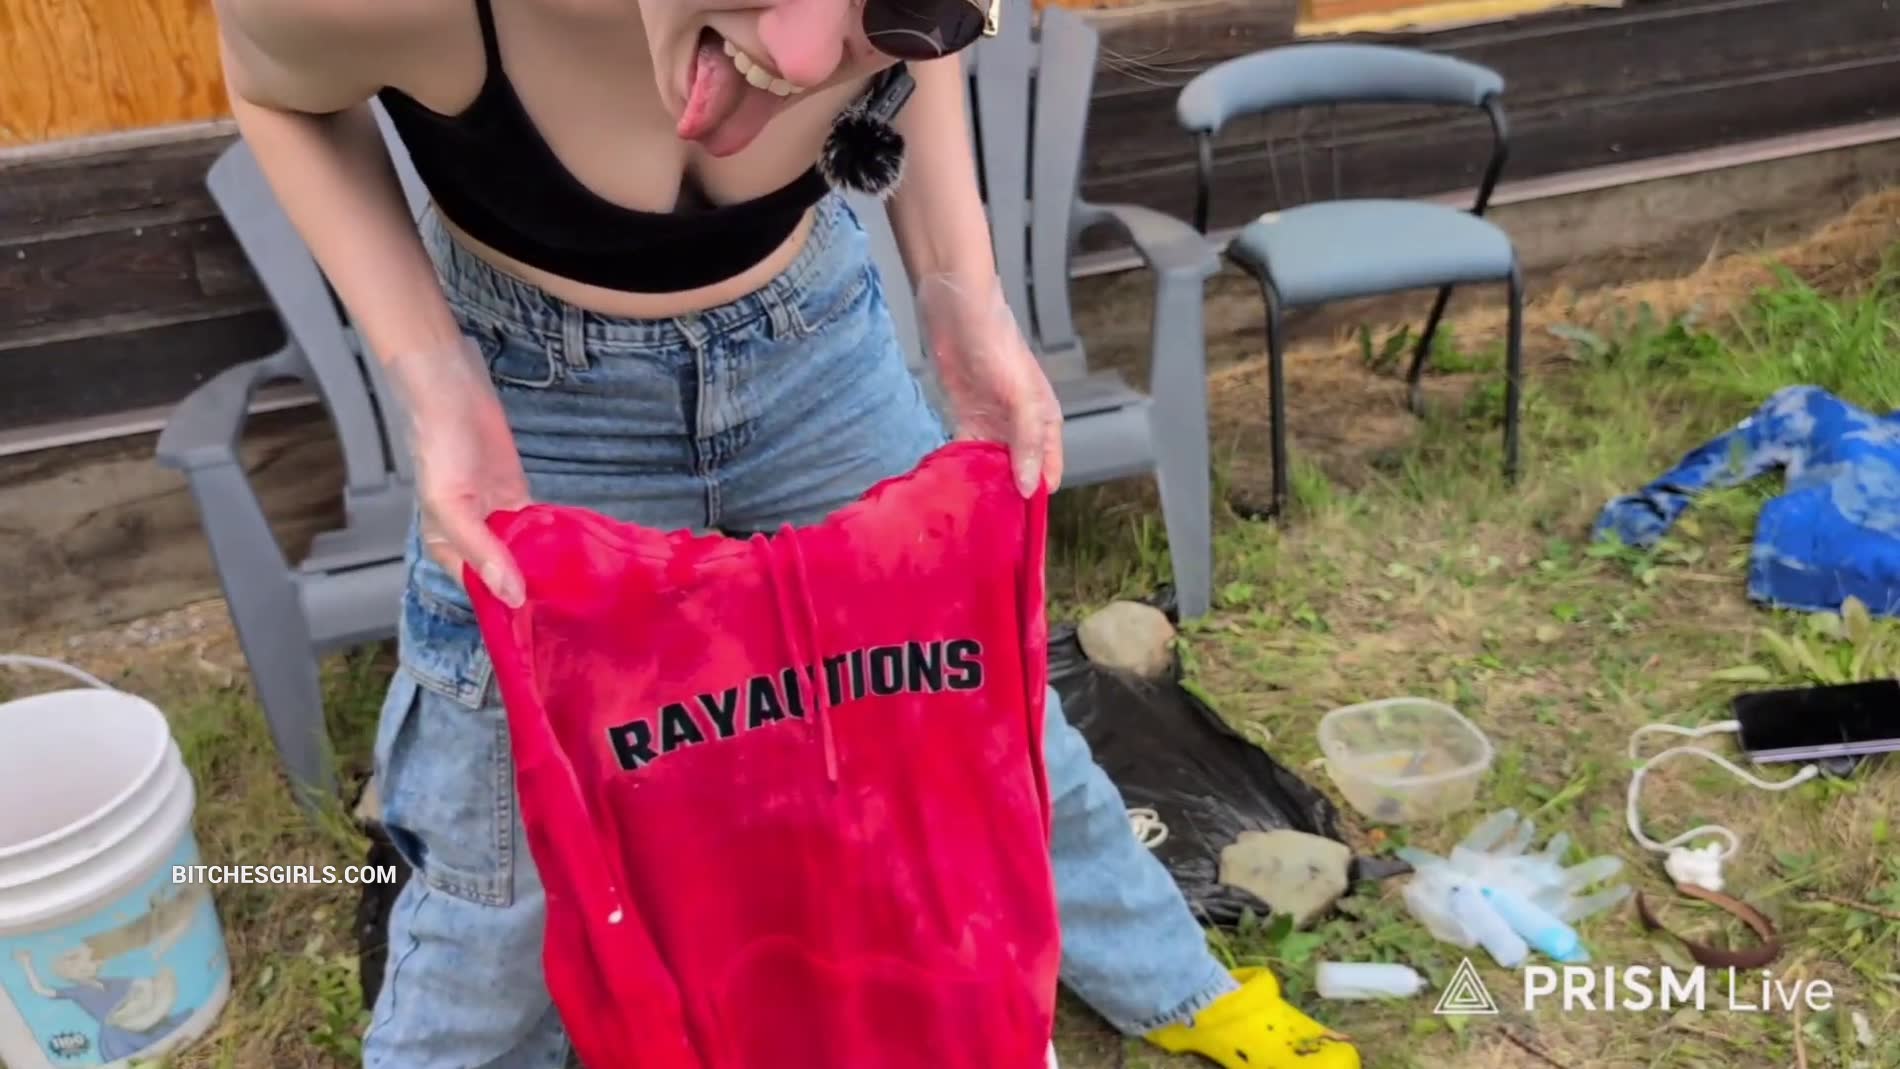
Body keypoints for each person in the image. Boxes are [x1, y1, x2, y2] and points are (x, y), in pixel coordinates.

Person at [208, 1, 1359, 1067]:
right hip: (537, 405)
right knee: (494, 851)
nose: (804, 61)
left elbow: (925, 53)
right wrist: (432, 372)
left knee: (987, 714)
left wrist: (960, 289)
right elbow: (276, 93)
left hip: (818, 349)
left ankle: (1169, 978)